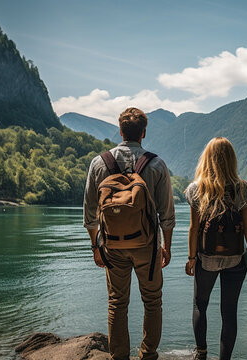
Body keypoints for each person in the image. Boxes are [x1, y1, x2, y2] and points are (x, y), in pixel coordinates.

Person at [84, 107, 175, 360]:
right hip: (147, 245)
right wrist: (165, 246)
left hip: (112, 245)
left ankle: (119, 357)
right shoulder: (156, 164)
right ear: (143, 133)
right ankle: (148, 355)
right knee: (152, 302)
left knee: (117, 303)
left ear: (121, 130)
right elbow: (167, 214)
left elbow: (90, 213)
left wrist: (96, 247)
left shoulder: (99, 163)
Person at [184, 137, 247, 360]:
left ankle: (201, 354)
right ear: (231, 159)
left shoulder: (196, 189)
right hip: (236, 258)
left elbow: (194, 228)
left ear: (206, 159)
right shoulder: (242, 188)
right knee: (229, 312)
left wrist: (191, 258)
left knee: (200, 304)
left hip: (206, 258)